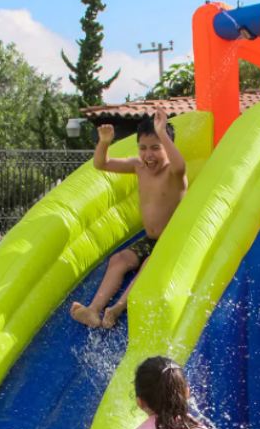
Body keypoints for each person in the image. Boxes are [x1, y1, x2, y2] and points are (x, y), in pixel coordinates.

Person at [71, 108, 188, 328]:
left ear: (168, 147)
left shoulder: (174, 173)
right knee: (118, 260)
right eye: (143, 148)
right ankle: (93, 310)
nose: (148, 155)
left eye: (156, 148)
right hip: (150, 239)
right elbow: (101, 164)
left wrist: (162, 131)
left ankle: (118, 307)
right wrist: (104, 142)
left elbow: (180, 165)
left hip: (171, 240)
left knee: (148, 264)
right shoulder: (138, 166)